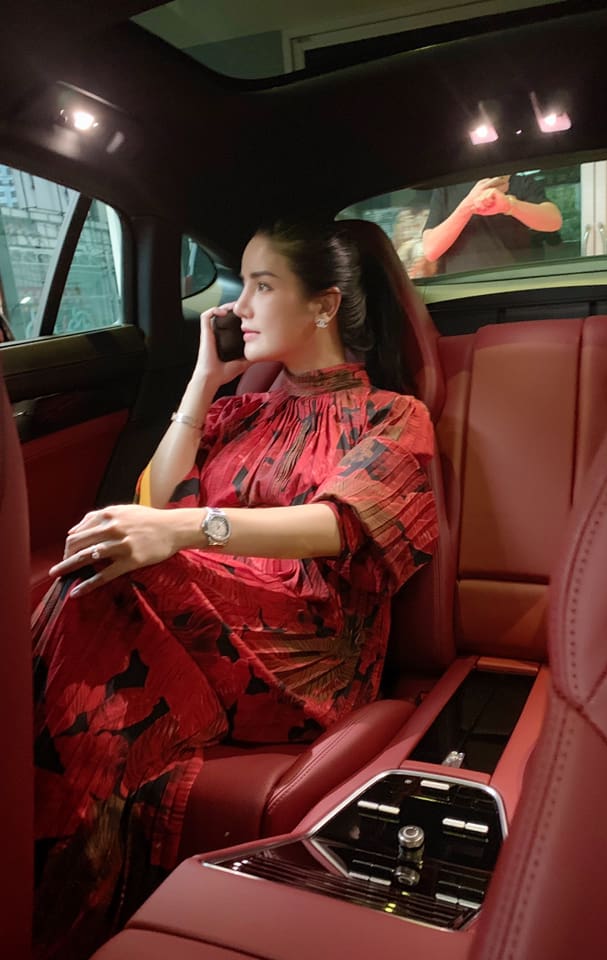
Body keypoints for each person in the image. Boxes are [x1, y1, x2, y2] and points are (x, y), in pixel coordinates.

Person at [32, 218, 439, 959]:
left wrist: (186, 532)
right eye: (239, 284)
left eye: (262, 285)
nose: (236, 306)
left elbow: (339, 524)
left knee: (110, 572)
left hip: (308, 647)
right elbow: (154, 500)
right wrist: (202, 383)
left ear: (323, 305)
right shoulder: (239, 411)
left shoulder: (392, 414)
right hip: (204, 615)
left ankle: (54, 894)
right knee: (101, 564)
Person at [422, 173, 563, 273]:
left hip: (519, 284)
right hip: (464, 289)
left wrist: (509, 205)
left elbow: (554, 221)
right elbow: (431, 250)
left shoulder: (522, 182)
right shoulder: (448, 188)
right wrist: (468, 205)